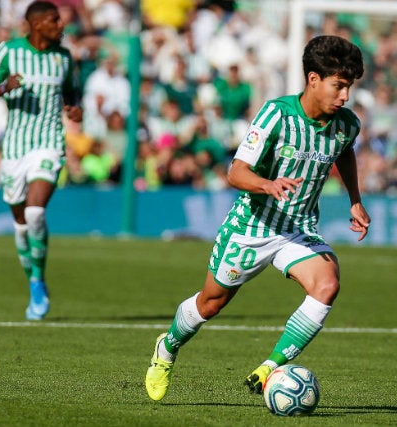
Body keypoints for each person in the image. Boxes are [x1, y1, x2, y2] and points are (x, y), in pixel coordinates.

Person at [145, 35, 371, 401]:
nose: (345, 96)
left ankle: (271, 366)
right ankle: (167, 348)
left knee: (327, 283)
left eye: (349, 87)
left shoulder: (347, 124)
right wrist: (268, 185)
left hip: (297, 228)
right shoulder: (276, 114)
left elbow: (344, 152)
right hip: (251, 227)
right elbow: (235, 172)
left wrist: (355, 201)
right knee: (211, 303)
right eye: (339, 86)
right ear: (313, 79)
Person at [0, 0, 83, 321]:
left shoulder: (64, 57)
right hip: (15, 149)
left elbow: (71, 94)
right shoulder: (9, 51)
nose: (61, 24)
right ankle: (33, 279)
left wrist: (74, 109)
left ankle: (38, 281)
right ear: (36, 25)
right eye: (54, 19)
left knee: (35, 212)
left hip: (49, 144)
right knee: (21, 223)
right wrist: (5, 87)